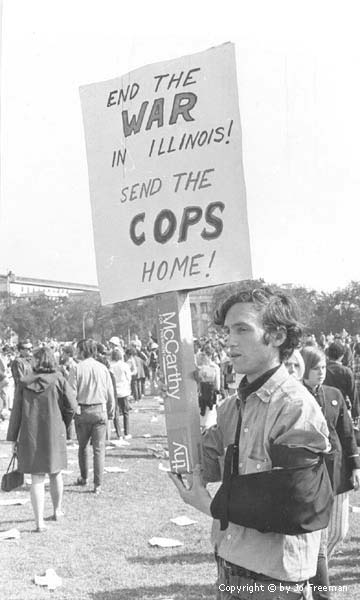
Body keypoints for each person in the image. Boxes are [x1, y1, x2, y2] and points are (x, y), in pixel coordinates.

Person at [169, 283, 330, 600]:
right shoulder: (232, 406)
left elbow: (298, 506)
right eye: (228, 330)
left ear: (277, 336)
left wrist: (209, 504)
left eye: (242, 329)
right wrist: (179, 406)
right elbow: (206, 465)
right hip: (230, 567)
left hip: (275, 582)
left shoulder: (295, 407)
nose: (229, 340)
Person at [301, 346, 360, 600]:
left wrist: (355, 465)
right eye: (316, 369)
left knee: (339, 531)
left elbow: (347, 433)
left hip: (337, 471)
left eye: (323, 368)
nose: (321, 373)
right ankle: (314, 573)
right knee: (319, 537)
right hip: (310, 474)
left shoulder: (334, 394)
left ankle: (315, 568)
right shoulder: (297, 396)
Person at [6, 347, 77, 531]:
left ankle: (39, 522)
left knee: (36, 478)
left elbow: (17, 412)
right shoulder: (59, 379)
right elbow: (71, 406)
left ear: (36, 362)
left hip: (30, 434)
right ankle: (57, 510)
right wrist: (63, 422)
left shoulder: (23, 383)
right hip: (54, 432)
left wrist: (13, 438)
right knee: (56, 473)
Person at [69, 339, 115, 494]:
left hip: (83, 410)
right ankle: (98, 484)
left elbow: (72, 393)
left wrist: (74, 411)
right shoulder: (103, 368)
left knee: (82, 447)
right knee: (99, 449)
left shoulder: (76, 368)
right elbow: (110, 392)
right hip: (100, 410)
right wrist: (111, 410)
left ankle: (83, 477)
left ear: (82, 351)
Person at [324, 342, 356, 416]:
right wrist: (355, 413)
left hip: (325, 407)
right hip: (342, 407)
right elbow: (353, 394)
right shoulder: (346, 371)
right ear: (342, 356)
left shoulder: (322, 370)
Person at [110, 348, 132, 439]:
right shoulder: (125, 365)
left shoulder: (110, 366)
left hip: (114, 391)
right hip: (124, 391)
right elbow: (129, 377)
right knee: (126, 412)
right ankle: (127, 432)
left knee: (116, 414)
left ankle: (119, 434)